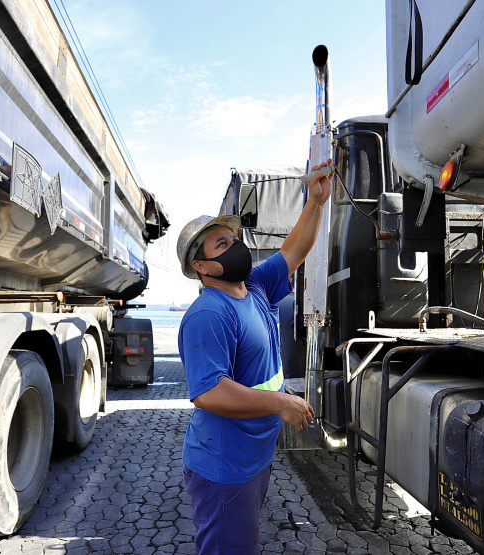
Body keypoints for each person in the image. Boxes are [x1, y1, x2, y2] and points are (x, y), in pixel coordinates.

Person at [175, 160, 334, 554]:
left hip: (252, 458)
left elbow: (294, 249)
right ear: (201, 266)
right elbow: (209, 392)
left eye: (232, 239)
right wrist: (281, 403)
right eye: (221, 245)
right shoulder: (209, 314)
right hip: (224, 467)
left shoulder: (255, 287)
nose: (235, 247)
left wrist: (315, 202)